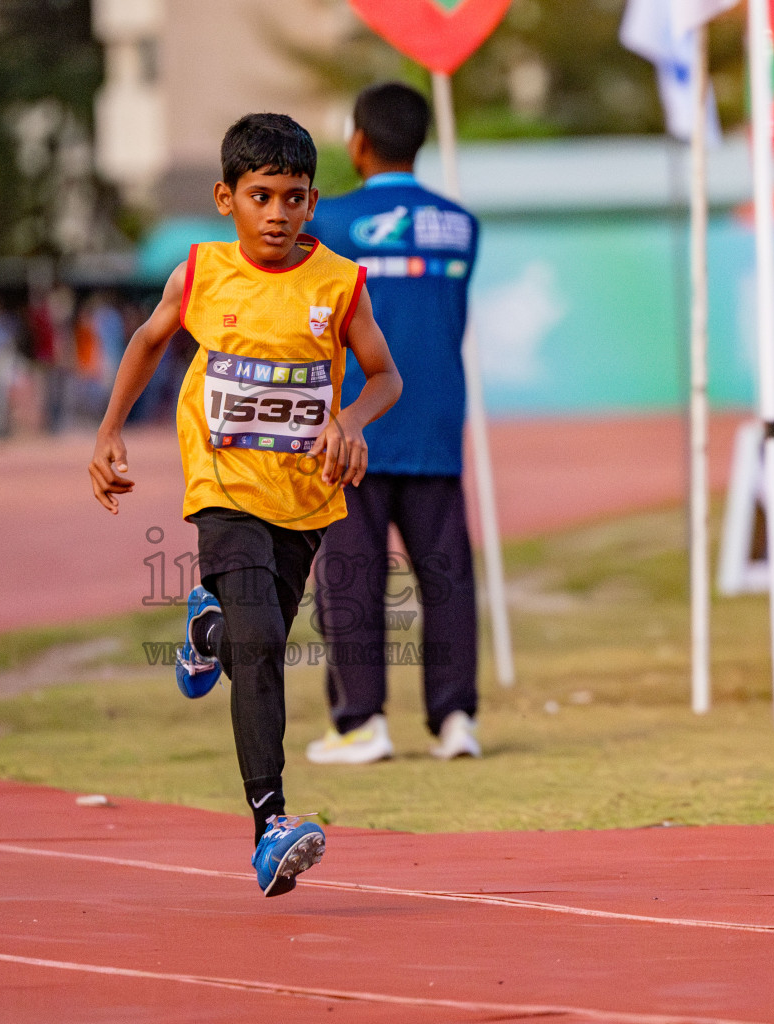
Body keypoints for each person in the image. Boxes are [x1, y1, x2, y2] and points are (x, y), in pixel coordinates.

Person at [88, 113, 401, 896]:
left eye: (295, 198)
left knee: (256, 642)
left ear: (313, 201)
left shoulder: (340, 283)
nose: (278, 214)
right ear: (227, 198)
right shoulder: (199, 274)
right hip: (222, 489)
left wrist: (351, 419)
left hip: (306, 499)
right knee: (262, 644)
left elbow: (385, 376)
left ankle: (206, 623)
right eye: (261, 196)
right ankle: (270, 825)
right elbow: (150, 341)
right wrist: (109, 432)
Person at [303, 82, 482, 765]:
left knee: (350, 578)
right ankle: (456, 718)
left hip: (353, 427)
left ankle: (360, 722)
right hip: (436, 422)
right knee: (447, 579)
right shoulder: (463, 224)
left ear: (358, 142)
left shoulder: (332, 225)